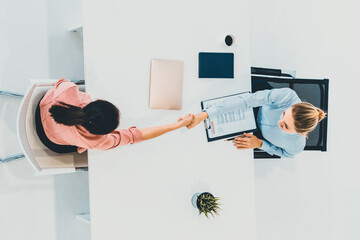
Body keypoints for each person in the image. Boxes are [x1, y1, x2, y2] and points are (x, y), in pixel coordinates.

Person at [36, 79, 193, 154]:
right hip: (52, 140)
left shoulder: (67, 92)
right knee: (82, 146)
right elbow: (136, 136)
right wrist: (177, 125)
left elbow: (63, 82)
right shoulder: (100, 142)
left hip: (41, 111)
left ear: (99, 101)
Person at [186, 88, 326, 158]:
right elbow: (247, 101)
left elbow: (283, 153)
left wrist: (260, 144)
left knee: (206, 148)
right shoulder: (287, 97)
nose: (279, 122)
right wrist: (205, 114)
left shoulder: (296, 146)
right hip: (256, 107)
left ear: (301, 133)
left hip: (256, 135)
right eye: (284, 114)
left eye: (286, 126)